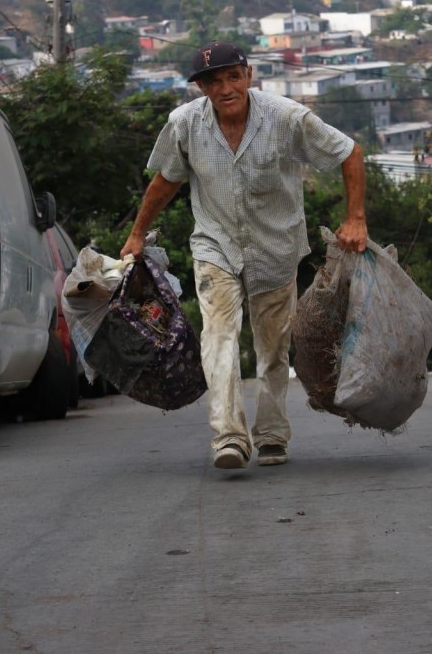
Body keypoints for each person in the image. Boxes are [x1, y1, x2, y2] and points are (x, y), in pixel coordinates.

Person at [120, 40, 367, 470]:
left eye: (233, 77)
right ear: (201, 88)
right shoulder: (185, 124)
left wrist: (356, 219)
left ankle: (271, 434)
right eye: (214, 82)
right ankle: (229, 437)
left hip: (276, 248)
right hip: (216, 245)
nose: (225, 89)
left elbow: (349, 152)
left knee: (273, 348)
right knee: (218, 337)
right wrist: (136, 235)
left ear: (249, 76)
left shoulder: (287, 118)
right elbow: (166, 181)